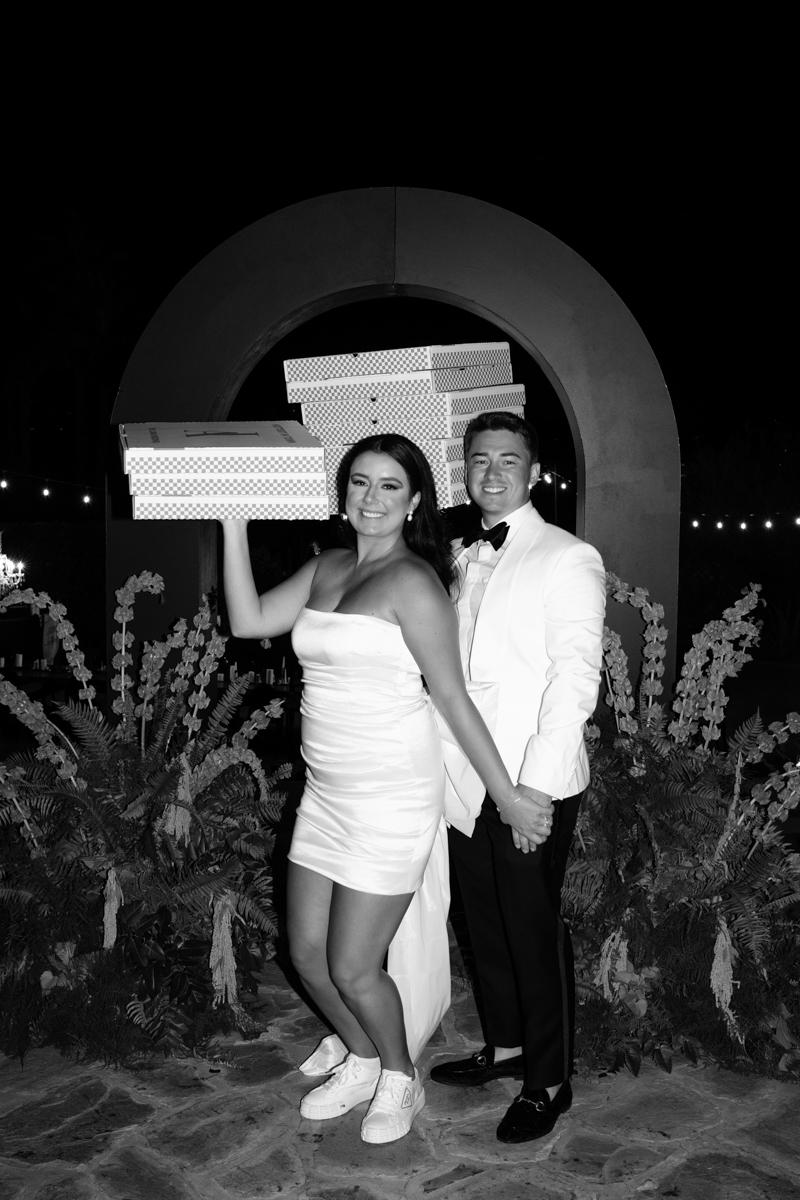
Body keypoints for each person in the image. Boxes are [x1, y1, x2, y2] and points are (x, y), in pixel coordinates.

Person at [221, 433, 536, 1146]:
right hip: (326, 793)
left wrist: (508, 794)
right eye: (359, 482)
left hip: (390, 796)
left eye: (389, 485)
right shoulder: (325, 567)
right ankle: (361, 1056)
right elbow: (247, 621)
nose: (370, 497)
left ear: (415, 500)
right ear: (342, 494)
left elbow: (452, 699)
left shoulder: (414, 583)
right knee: (305, 952)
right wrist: (233, 522)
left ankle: (399, 1077)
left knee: (354, 965)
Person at [429, 411, 606, 1145]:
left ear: (532, 474)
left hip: (529, 779)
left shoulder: (567, 556)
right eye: (479, 460)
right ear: (464, 470)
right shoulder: (457, 554)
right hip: (464, 775)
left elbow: (575, 678)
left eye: (508, 461)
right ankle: (505, 1048)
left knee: (531, 928)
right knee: (483, 919)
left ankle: (550, 1078)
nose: (492, 473)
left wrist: (532, 789)